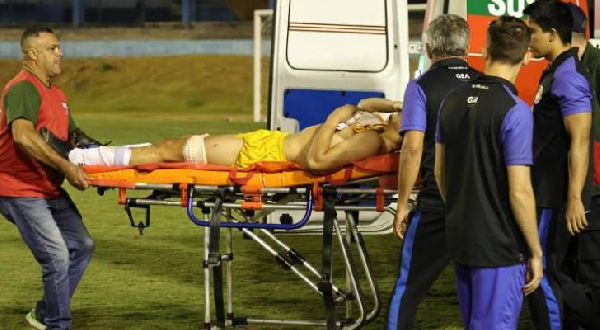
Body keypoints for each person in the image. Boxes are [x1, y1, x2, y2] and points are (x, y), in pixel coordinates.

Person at [434, 16, 543, 330]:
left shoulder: (451, 100)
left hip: (461, 237)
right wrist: (535, 251)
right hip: (499, 246)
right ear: (527, 56)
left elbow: (441, 174)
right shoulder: (516, 110)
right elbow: (520, 192)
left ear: (484, 50)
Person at [380, 14, 480, 330]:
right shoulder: (488, 84)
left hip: (438, 203)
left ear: (428, 48)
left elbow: (412, 148)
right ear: (467, 47)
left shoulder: (421, 87)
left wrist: (403, 202)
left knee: (409, 289)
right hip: (482, 204)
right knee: (479, 293)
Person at [0, 27, 95, 330]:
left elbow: (76, 139)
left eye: (58, 48)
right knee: (56, 257)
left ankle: (44, 311)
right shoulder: (23, 88)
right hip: (18, 188)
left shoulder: (57, 94)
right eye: (53, 48)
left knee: (82, 245)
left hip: (48, 188)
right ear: (32, 54)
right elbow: (23, 136)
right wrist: (68, 169)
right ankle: (57, 324)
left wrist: (112, 162)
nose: (60, 54)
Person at [523, 1, 594, 329]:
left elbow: (579, 141)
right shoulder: (554, 69)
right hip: (543, 191)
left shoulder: (569, 75)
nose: (527, 38)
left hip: (553, 196)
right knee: (547, 270)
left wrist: (575, 198)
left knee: (541, 273)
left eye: (532, 31)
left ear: (552, 35)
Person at [68, 105, 403, 173]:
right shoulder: (378, 123)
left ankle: (85, 157)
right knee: (175, 143)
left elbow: (316, 162)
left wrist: (332, 120)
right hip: (267, 140)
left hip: (266, 152)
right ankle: (95, 152)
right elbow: (365, 105)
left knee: (173, 149)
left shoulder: (371, 142)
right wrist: (395, 106)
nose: (400, 110)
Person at [560, 4, 600, 329]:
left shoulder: (593, 67)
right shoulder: (565, 67)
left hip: (593, 187)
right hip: (573, 183)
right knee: (569, 262)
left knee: (593, 264)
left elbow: (587, 136)